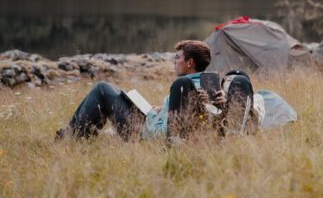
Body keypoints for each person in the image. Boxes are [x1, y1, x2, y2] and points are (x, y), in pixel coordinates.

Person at [56, 40, 255, 141]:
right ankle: (74, 133)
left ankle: (72, 136)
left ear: (190, 62)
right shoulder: (204, 86)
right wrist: (159, 110)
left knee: (103, 89)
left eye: (177, 58)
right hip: (153, 121)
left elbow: (196, 120)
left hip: (147, 133)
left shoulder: (193, 88)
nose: (174, 62)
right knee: (116, 93)